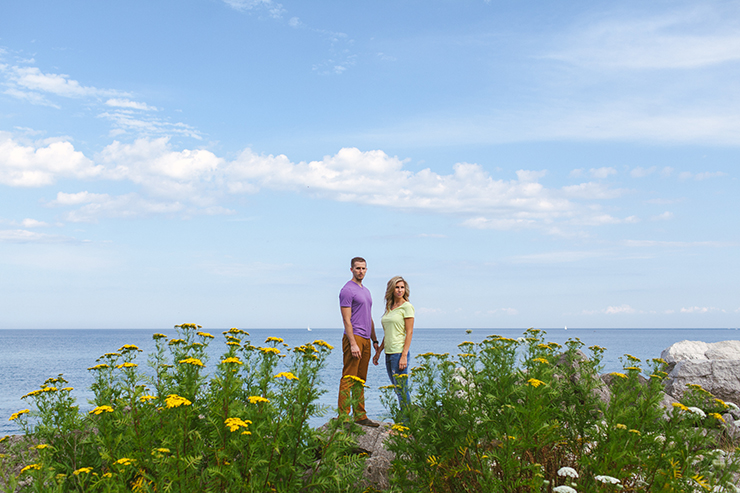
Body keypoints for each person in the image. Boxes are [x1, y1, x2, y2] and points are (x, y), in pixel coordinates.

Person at [338, 257, 380, 427]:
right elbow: (346, 320)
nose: (360, 271)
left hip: (366, 339)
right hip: (353, 337)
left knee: (360, 379)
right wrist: (353, 343)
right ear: (351, 269)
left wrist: (375, 339)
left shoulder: (366, 291)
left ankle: (360, 415)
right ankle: (344, 417)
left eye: (363, 268)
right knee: (348, 377)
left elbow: (368, 317)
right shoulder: (347, 290)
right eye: (357, 268)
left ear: (366, 270)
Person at [373, 276, 414, 414]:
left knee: (402, 389)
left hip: (399, 353)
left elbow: (409, 333)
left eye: (402, 287)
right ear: (391, 289)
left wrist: (404, 356)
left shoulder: (407, 307)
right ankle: (405, 418)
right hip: (388, 353)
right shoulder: (390, 308)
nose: (399, 290)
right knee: (397, 389)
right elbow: (388, 333)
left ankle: (406, 422)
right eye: (397, 287)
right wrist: (378, 351)